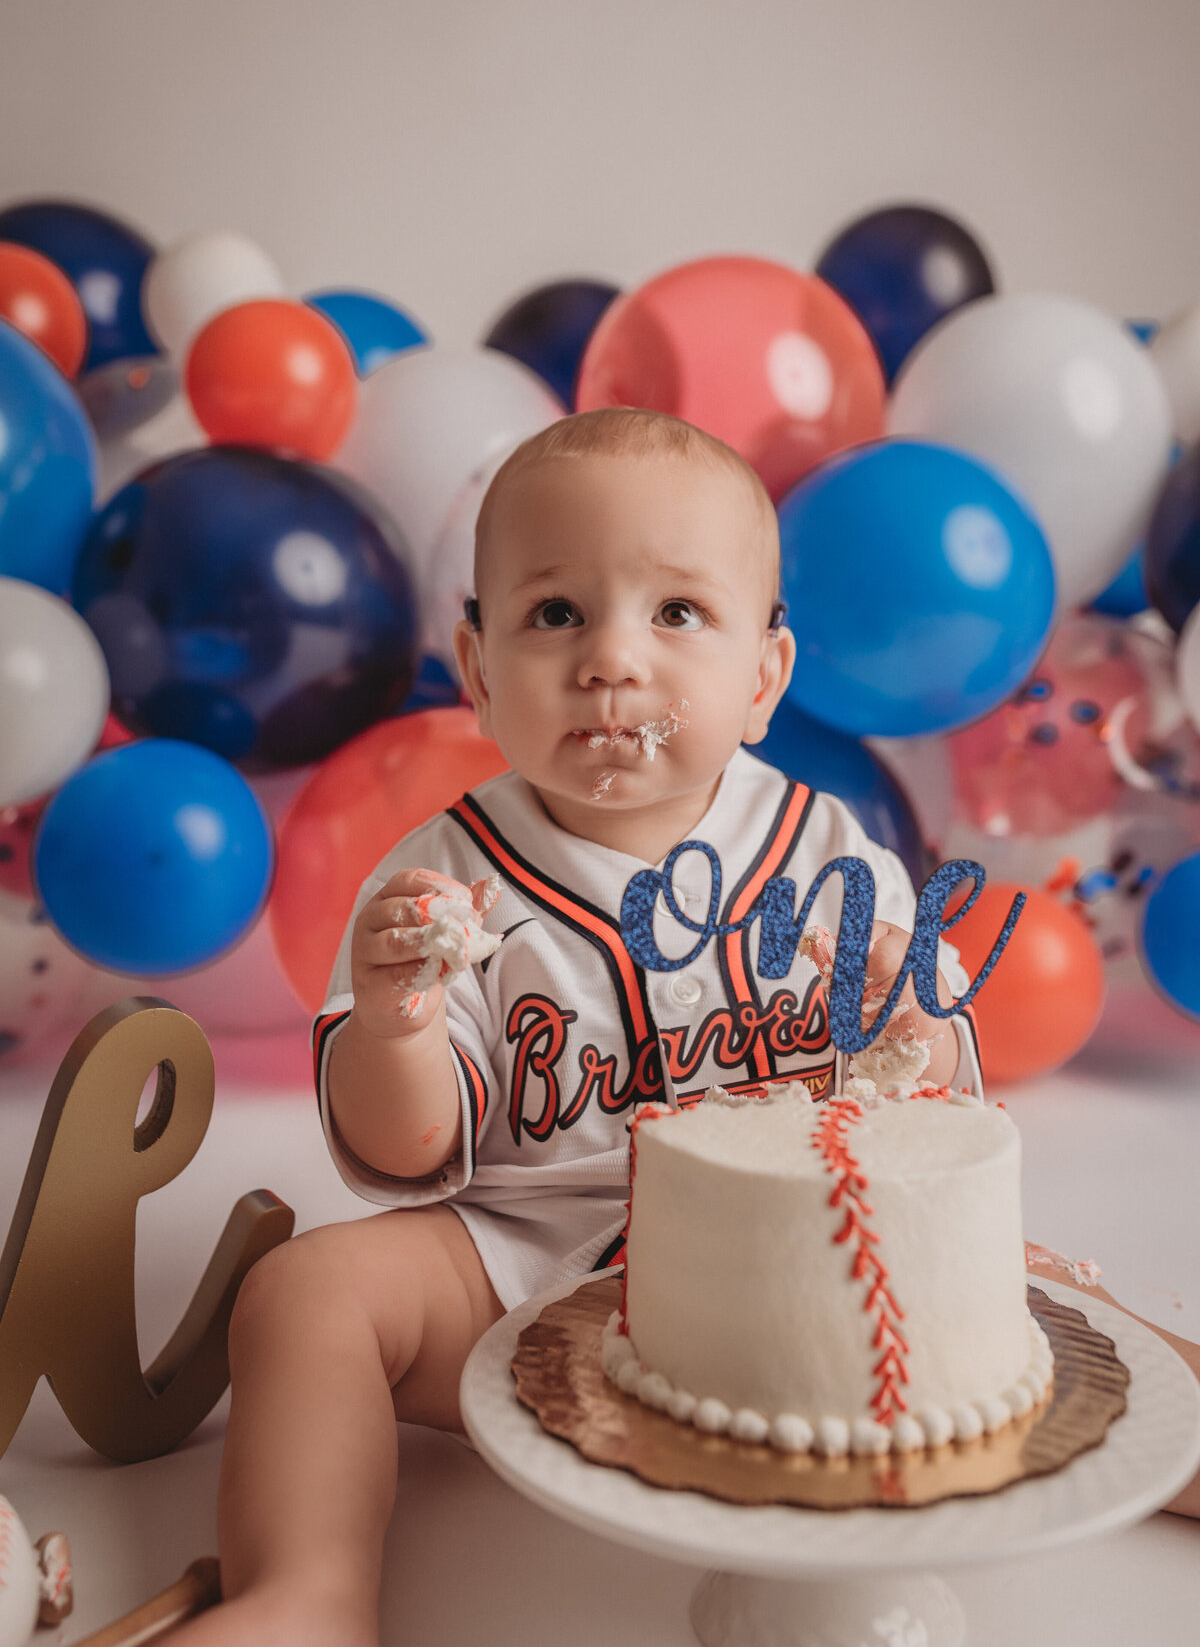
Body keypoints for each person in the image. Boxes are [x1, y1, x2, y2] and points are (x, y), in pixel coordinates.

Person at [168, 409, 1189, 1646]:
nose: (611, 662)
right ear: (479, 671)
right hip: (532, 1259)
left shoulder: (827, 855)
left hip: (804, 1263)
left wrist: (904, 1015)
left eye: (677, 614)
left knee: (1054, 1309)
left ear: (764, 678)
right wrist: (396, 1024)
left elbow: (944, 1128)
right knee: (305, 1294)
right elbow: (399, 1154)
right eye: (556, 614)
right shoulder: (448, 879)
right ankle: (308, 1590)